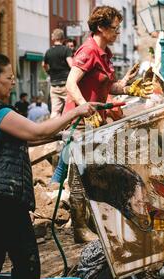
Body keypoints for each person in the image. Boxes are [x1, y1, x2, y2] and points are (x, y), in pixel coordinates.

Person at [0, 52, 97, 279]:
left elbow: (28, 136)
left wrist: (59, 136)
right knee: (26, 261)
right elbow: (35, 131)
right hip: (1, 198)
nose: (13, 82)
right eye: (9, 77)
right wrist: (77, 111)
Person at [64, 6, 152, 243]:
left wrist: (128, 88)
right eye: (114, 28)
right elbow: (70, 84)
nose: (118, 33)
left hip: (96, 121)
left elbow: (108, 86)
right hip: (80, 121)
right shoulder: (88, 50)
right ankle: (80, 229)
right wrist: (84, 106)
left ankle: (93, 223)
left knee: (94, 172)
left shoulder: (105, 52)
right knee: (79, 173)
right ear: (100, 28)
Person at [43, 29, 73, 119]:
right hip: (65, 84)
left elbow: (44, 65)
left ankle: (57, 131)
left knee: (55, 111)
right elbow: (71, 64)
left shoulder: (49, 51)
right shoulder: (66, 50)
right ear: (63, 39)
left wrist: (49, 72)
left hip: (54, 85)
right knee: (70, 109)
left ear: (53, 38)